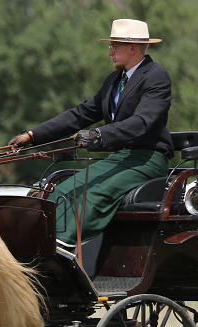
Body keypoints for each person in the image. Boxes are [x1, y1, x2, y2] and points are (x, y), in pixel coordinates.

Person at [9, 18, 173, 248]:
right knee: (64, 190)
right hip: (119, 159)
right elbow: (79, 115)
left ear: (133, 48)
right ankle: (40, 243)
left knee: (92, 195)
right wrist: (34, 135)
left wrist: (98, 134)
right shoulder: (114, 81)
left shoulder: (156, 76)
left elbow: (142, 121)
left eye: (114, 46)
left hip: (147, 158)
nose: (109, 53)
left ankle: (61, 247)